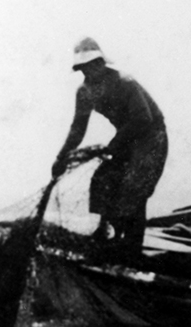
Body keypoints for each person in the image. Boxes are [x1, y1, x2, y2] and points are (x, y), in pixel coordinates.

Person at [51, 38, 169, 259]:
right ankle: (108, 233)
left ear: (102, 63)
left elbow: (143, 119)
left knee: (135, 185)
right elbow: (78, 128)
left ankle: (131, 248)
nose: (90, 70)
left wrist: (114, 144)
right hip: (126, 138)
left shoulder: (124, 82)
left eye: (94, 64)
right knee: (103, 178)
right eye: (85, 67)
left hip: (151, 137)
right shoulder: (84, 93)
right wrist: (62, 156)